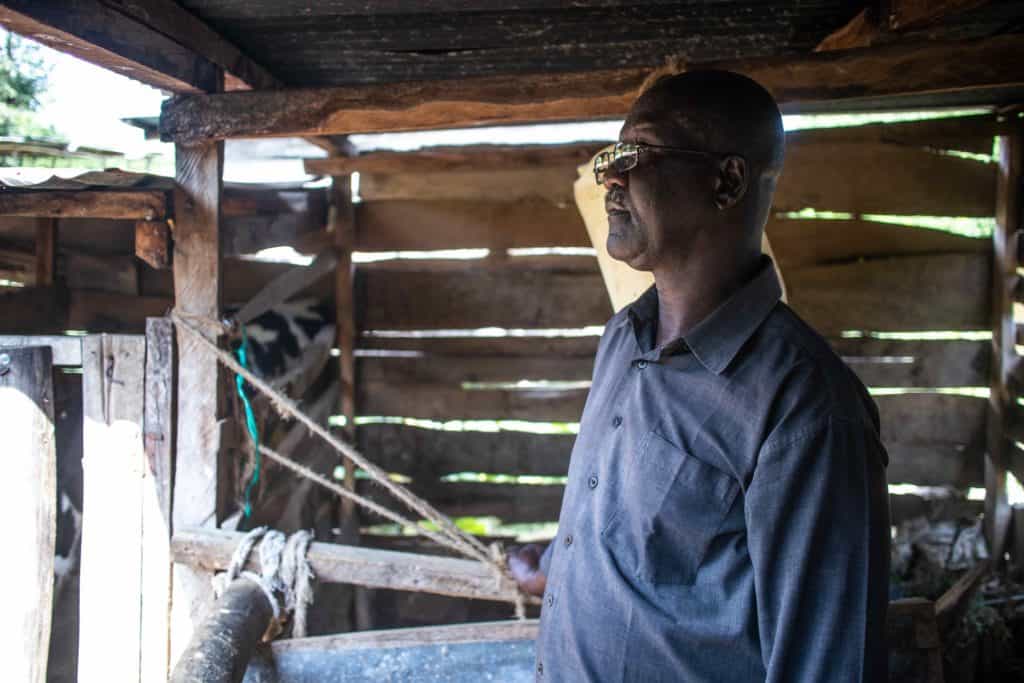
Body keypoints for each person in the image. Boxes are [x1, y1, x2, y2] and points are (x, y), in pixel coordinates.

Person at [508, 70, 891, 682]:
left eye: (640, 153)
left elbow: (827, 664)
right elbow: (651, 534)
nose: (611, 177)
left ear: (726, 181)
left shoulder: (805, 409)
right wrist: (555, 560)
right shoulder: (623, 339)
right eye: (612, 157)